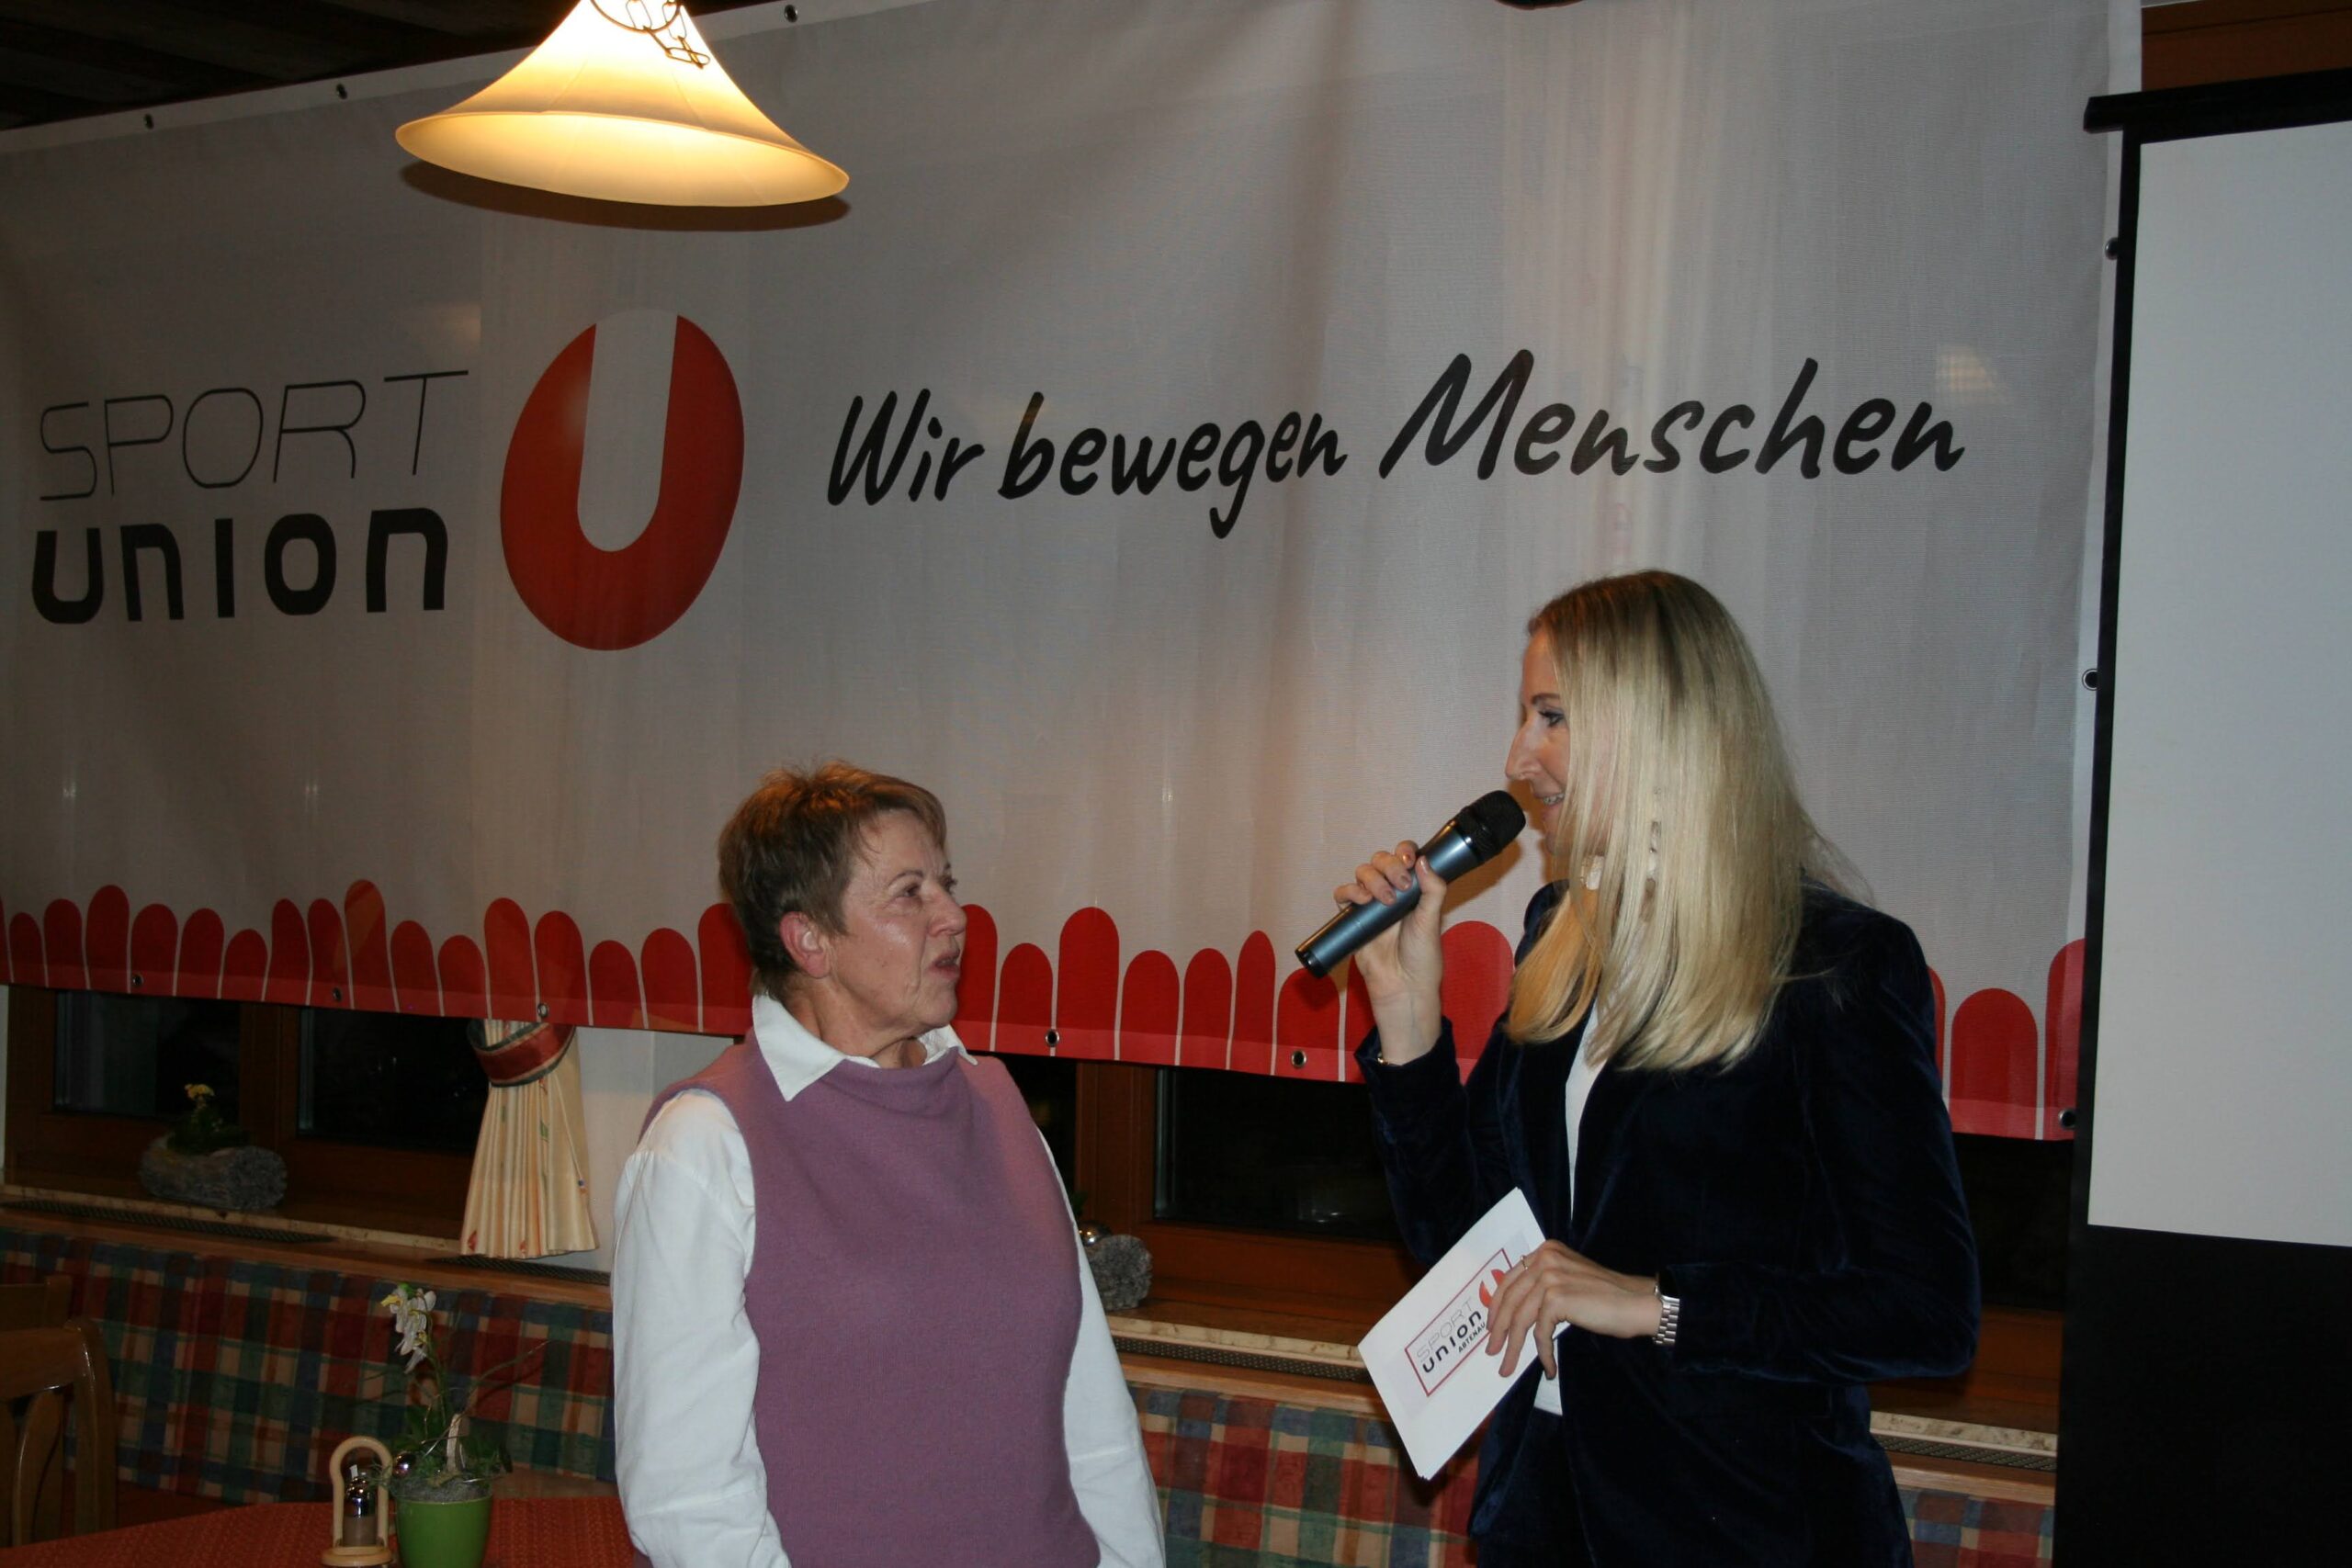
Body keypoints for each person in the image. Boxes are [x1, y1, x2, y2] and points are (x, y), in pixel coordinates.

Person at [1342, 572, 1978, 1567]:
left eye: (1551, 717)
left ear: (1656, 727)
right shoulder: (1557, 935)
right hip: (1545, 1522)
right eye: (1525, 717)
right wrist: (1408, 1021)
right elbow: (1461, 1251)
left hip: (1748, 1531)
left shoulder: (1834, 965)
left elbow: (1926, 1311)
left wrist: (1658, 1302)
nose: (1517, 758)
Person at [612, 763, 1164, 1568]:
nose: (954, 915)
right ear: (810, 939)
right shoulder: (705, 1142)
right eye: (910, 892)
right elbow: (687, 1499)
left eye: (947, 883)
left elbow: (1092, 1414)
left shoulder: (999, 1103)